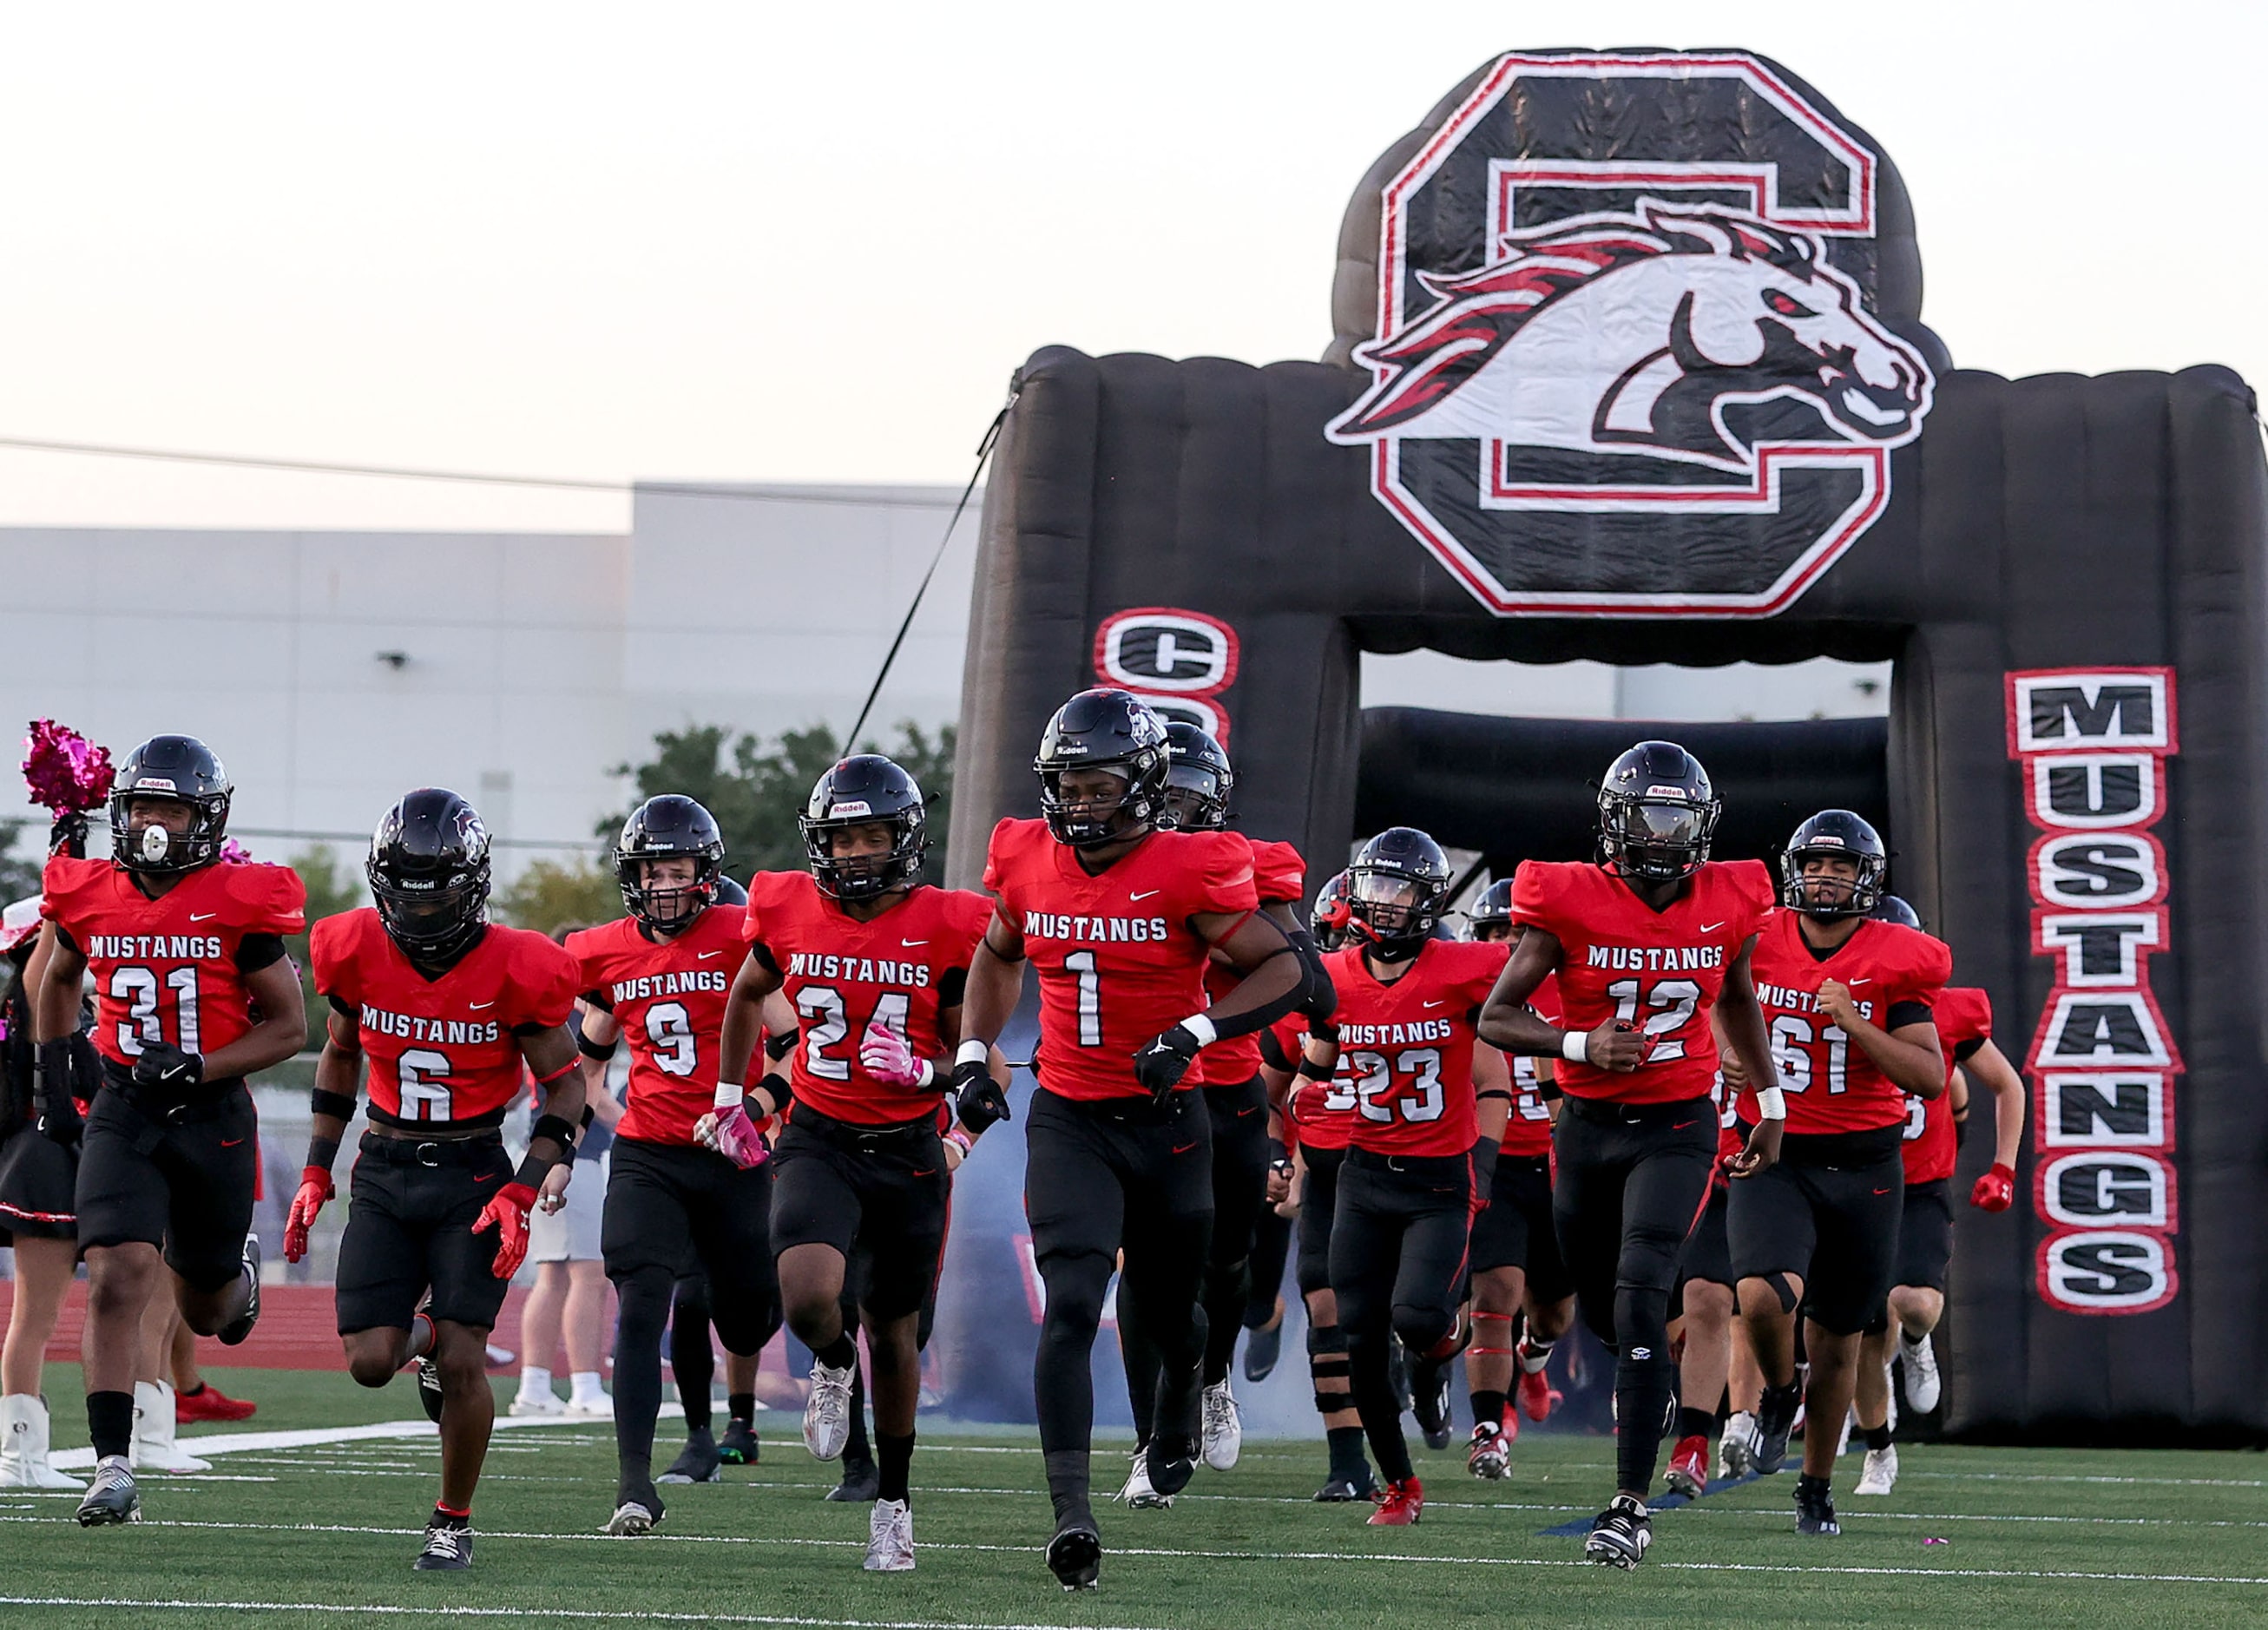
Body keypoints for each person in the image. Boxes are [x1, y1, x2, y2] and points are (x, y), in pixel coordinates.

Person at [957, 688, 1308, 1589]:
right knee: (1075, 1304)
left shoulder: (1189, 869)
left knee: (1170, 1314)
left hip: (1169, 1121)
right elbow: (999, 950)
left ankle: (1188, 1392)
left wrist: (1196, 1032)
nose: (1079, 802)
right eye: (1067, 784)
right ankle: (1071, 1515)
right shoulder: (1028, 857)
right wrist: (972, 1049)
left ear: (1145, 784)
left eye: (1098, 783)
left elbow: (1282, 965)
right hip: (1071, 1115)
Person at [1476, 740, 1780, 1569]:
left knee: (1644, 1289)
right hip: (1585, 1126)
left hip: (1678, 1123)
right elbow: (1496, 1019)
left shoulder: (1731, 897)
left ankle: (1628, 1503)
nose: (1660, 833)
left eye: (1675, 816)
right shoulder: (1566, 897)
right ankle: (1654, 1406)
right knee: (1605, 1314)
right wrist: (1576, 1039)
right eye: (1646, 815)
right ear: (1614, 822)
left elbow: (1740, 1000)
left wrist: (1767, 1100)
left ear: (1703, 823)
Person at [709, 754, 1004, 1572]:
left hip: (908, 1151)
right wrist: (730, 1098)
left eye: (871, 837)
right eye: (840, 840)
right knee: (808, 1300)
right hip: (819, 1136)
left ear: (903, 839)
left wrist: (933, 1078)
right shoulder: (787, 906)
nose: (854, 856)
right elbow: (743, 995)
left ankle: (894, 1504)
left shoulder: (948, 924)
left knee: (898, 1333)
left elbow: (989, 1070)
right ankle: (832, 1364)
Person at [286, 788, 586, 1570]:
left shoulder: (517, 965)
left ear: (472, 884)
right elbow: (341, 1051)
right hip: (384, 1169)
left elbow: (566, 1085)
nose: (419, 917)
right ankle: (421, 1341)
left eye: (436, 898)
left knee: (464, 1356)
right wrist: (318, 1169)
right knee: (367, 1362)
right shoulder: (352, 947)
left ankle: (451, 1519)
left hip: (473, 1174)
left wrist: (525, 1185)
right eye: (405, 900)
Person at [33, 736, 307, 1527]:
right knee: (117, 1273)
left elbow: (287, 1028)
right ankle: (111, 1464)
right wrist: (58, 1081)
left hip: (211, 1114)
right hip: (125, 1108)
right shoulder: (88, 893)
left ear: (205, 818)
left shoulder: (241, 900)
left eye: (172, 807)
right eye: (144, 804)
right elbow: (55, 980)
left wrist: (199, 1066)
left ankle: (237, 1278)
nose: (155, 821)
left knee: (210, 1311)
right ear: (123, 811)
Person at [1721, 812, 1949, 1539]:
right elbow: (1704, 1000)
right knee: (1758, 1296)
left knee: (1838, 1342)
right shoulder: (1754, 935)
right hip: (1774, 1149)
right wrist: (1720, 1052)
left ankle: (1814, 1489)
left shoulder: (1897, 956)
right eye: (1814, 863)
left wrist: (1855, 1022)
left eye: (1841, 866)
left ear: (1866, 879)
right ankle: (1776, 1394)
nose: (1824, 876)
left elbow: (1930, 1076)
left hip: (1863, 1163)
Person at [565, 796, 780, 1536]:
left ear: (704, 872)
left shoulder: (740, 932)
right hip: (650, 1156)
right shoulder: (606, 949)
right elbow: (584, 1068)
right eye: (650, 868)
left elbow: (790, 1044)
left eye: (676, 867)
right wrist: (602, 1129)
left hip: (732, 1158)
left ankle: (743, 1402)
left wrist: (751, 1109)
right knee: (641, 1303)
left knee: (747, 1319)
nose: (661, 882)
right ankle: (633, 1486)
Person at [1115, 722, 1319, 1497]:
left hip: (1227, 1083)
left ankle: (1213, 1380)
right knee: (1142, 1268)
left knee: (1226, 1262)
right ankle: (1147, 1441)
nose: (1167, 813)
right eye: (1157, 796)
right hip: (1140, 1091)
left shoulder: (1247, 864)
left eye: (1184, 798)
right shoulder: (1098, 865)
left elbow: (1294, 968)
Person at [1312, 827, 1509, 1526]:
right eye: (1375, 887)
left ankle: (1433, 1367)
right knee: (1358, 1337)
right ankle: (1399, 1483)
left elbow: (1538, 974)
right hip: (1363, 1176)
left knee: (1417, 1318)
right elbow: (1315, 1055)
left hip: (1436, 1180)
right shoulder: (1332, 976)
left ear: (1429, 900)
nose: (1385, 903)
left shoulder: (1464, 966)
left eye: (1401, 889)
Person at [1851, 894, 2024, 1495]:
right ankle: (1877, 1444)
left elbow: (2006, 1085)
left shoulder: (1948, 1013)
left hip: (1918, 1183)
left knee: (1912, 1304)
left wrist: (2002, 1165)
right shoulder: (1832, 1002)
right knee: (1860, 1323)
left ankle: (1918, 1346)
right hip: (1849, 1177)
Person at [1460, 881, 1573, 1480]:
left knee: (1553, 1315)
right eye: (1492, 932)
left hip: (1557, 1165)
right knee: (1493, 1297)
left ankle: (1534, 1358)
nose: (1504, 942)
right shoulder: (1462, 991)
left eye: (1515, 931)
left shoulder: (1571, 984)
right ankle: (1486, 1431)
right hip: (1497, 1164)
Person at [0, 897, 92, 1490]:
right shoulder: (33, 1002)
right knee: (34, 1315)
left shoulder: (29, 1005)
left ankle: (25, 1452)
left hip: (49, 1158)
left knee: (38, 1313)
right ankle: (18, 1455)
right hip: (45, 1163)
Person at [513, 947, 621, 1423]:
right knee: (587, 1274)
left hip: (546, 1150)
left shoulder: (549, 1019)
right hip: (572, 1155)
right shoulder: (577, 1023)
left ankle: (536, 1384)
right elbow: (593, 1096)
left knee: (555, 1273)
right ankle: (583, 1383)